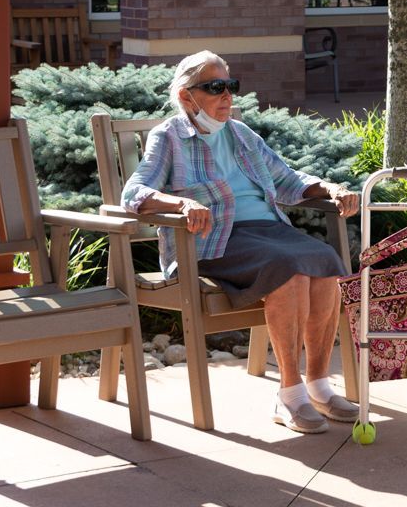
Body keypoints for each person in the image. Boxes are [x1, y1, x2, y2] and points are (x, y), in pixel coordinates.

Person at [122, 50, 361, 434]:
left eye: (230, 86)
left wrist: (330, 188)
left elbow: (288, 180)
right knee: (290, 271)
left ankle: (318, 385)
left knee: (324, 260)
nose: (226, 96)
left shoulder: (241, 133)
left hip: (268, 234)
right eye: (214, 87)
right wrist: (181, 202)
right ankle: (290, 395)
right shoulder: (168, 137)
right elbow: (134, 193)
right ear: (186, 96)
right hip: (214, 240)